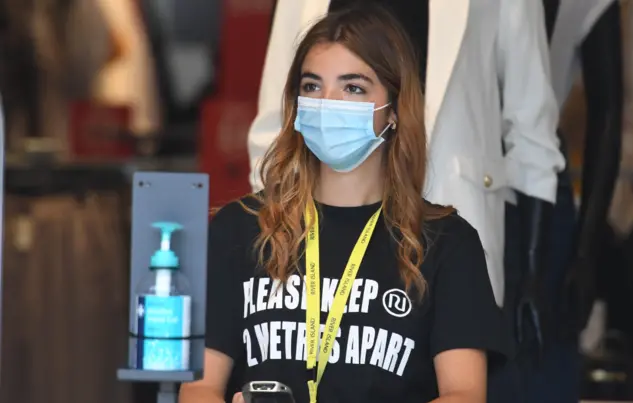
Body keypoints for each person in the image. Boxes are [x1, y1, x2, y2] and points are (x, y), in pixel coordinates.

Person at [179, 6, 509, 403]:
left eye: (353, 87)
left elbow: (466, 394)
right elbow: (198, 387)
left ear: (394, 110)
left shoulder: (448, 243)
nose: (328, 102)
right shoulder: (239, 229)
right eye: (313, 86)